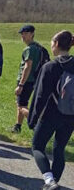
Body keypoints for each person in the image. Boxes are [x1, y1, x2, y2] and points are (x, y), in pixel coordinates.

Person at [28, 31, 74, 190]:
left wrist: (32, 118)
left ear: (55, 44)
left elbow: (39, 96)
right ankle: (53, 182)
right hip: (70, 115)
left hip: (50, 114)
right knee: (59, 148)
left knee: (37, 146)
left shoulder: (50, 66)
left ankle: (49, 180)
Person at [11, 25, 42, 133]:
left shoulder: (29, 49)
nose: (23, 36)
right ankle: (17, 126)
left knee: (21, 106)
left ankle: (38, 124)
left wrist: (21, 84)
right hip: (33, 80)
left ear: (32, 34)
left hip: (26, 81)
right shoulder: (38, 47)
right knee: (21, 103)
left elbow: (27, 67)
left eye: (26, 33)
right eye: (22, 34)